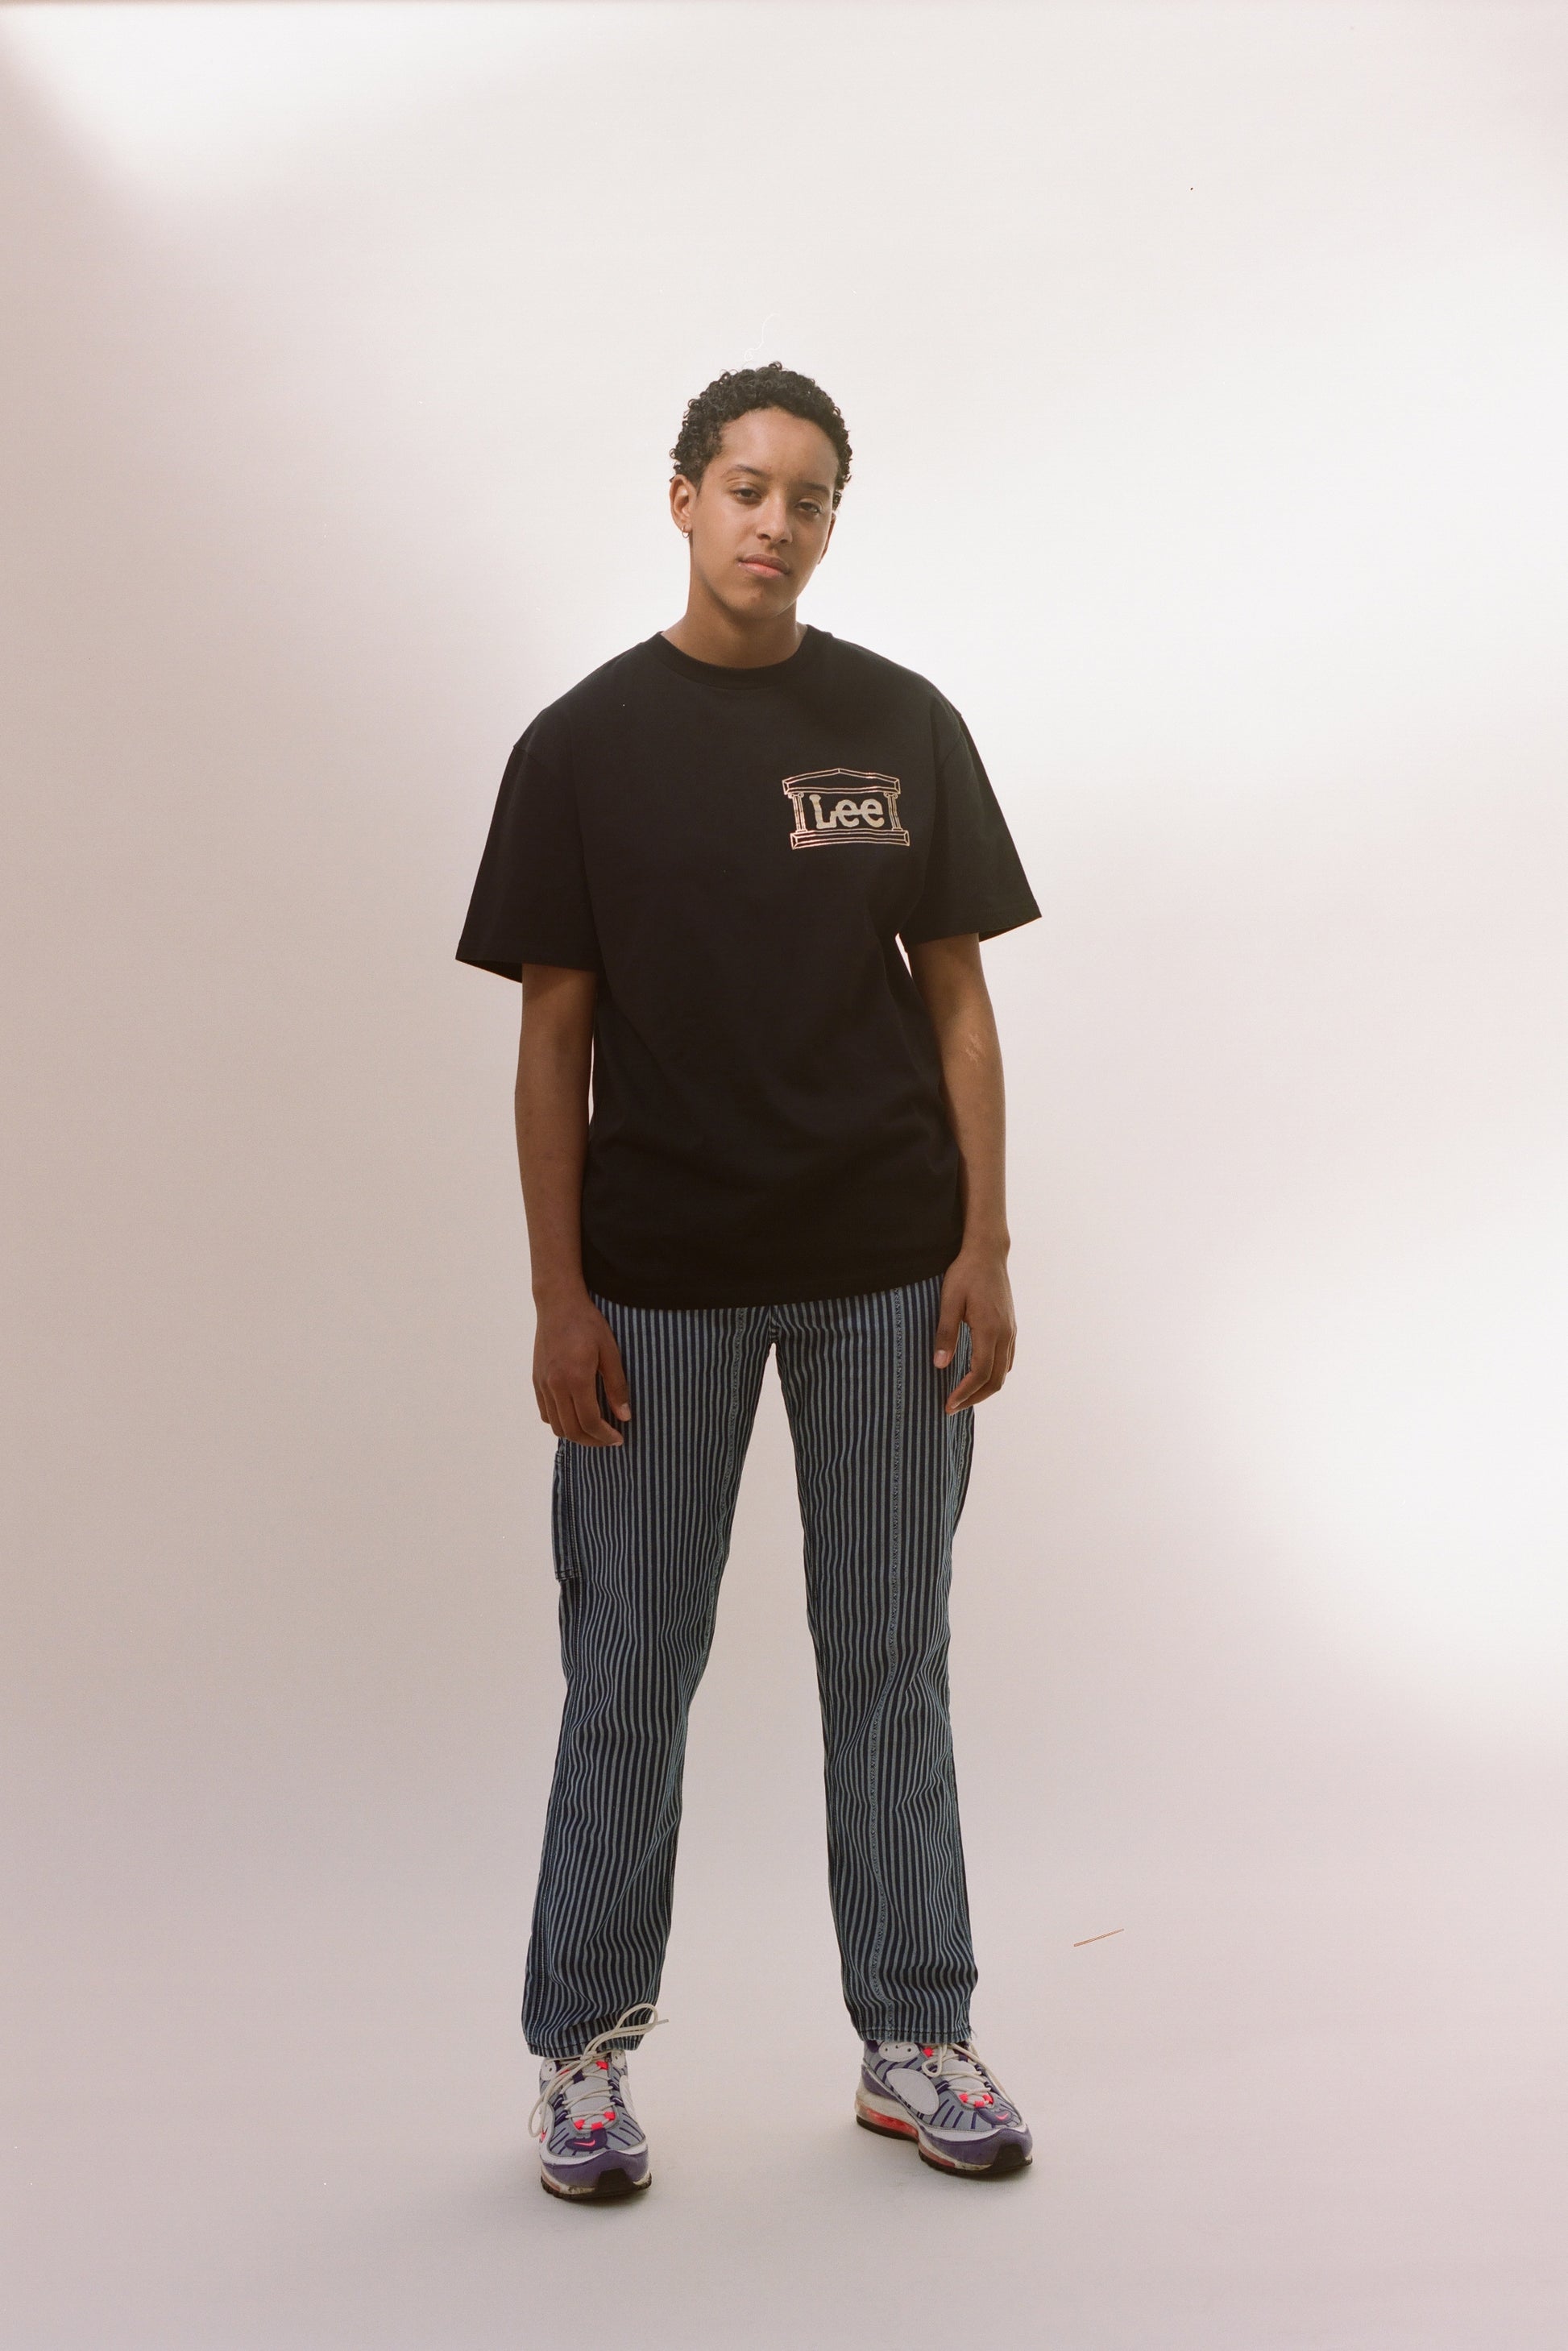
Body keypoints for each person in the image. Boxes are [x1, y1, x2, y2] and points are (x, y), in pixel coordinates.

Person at [457, 363, 1042, 2200]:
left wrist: (984, 1242)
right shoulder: (580, 745)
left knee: (889, 1662)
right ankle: (581, 2054)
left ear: (831, 523)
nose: (773, 522)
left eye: (807, 498)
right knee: (631, 1667)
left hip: (886, 1274)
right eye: (744, 487)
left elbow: (958, 999)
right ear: (682, 499)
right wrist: (558, 1295)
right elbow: (552, 1039)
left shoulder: (902, 722)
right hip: (658, 1287)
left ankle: (915, 2035)